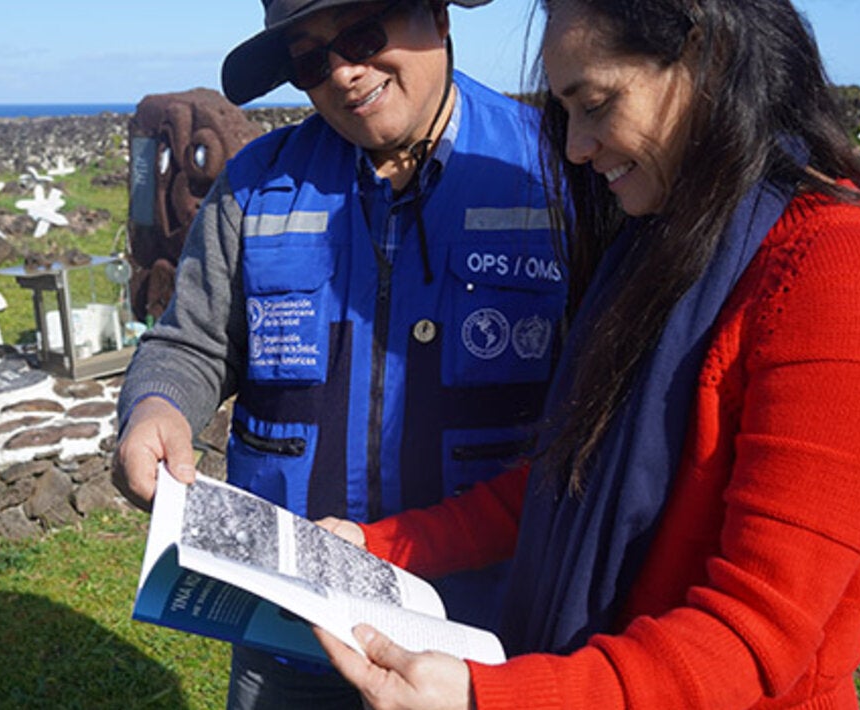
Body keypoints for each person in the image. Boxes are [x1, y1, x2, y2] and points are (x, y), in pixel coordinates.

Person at [309, 0, 860, 708]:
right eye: (565, 112)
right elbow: (570, 477)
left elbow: (751, 636)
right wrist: (380, 548)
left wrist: (484, 701)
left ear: (706, 60)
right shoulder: (664, 246)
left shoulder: (847, 280)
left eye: (596, 104)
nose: (577, 147)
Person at [112, 0, 566, 707]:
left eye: (362, 33)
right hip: (294, 626)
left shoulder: (557, 171)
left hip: (489, 631)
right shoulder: (256, 184)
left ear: (439, 17)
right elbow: (191, 342)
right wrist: (155, 406)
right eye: (311, 59)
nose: (345, 73)